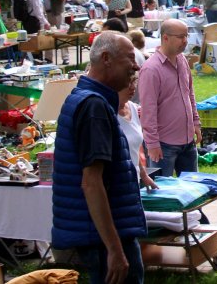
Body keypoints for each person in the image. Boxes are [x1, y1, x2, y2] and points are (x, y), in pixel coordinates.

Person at [51, 31, 145, 284]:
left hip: (95, 234)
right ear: (106, 59)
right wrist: (115, 249)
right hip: (100, 239)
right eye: (129, 58)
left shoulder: (87, 98)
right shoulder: (95, 107)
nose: (135, 65)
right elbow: (91, 183)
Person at [139, 19, 202, 178]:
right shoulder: (151, 69)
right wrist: (152, 144)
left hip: (188, 141)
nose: (185, 41)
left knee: (193, 192)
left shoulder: (182, 60)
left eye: (186, 36)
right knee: (164, 195)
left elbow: (190, 94)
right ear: (165, 38)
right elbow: (148, 110)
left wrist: (195, 122)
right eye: (180, 37)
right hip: (164, 145)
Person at [118, 76, 158, 189]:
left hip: (134, 181)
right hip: (117, 185)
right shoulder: (106, 112)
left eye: (134, 81)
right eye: (127, 82)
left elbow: (133, 149)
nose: (133, 87)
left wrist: (144, 175)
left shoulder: (133, 108)